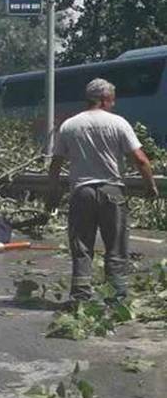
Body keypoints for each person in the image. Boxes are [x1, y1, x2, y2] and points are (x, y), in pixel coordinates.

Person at [46, 77, 158, 302]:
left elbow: (55, 164)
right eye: (112, 100)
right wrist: (151, 186)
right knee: (116, 245)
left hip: (81, 191)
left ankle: (80, 297)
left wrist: (53, 194)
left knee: (82, 246)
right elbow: (140, 159)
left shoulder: (70, 125)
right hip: (112, 190)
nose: (113, 104)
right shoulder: (118, 123)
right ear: (105, 99)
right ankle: (116, 298)